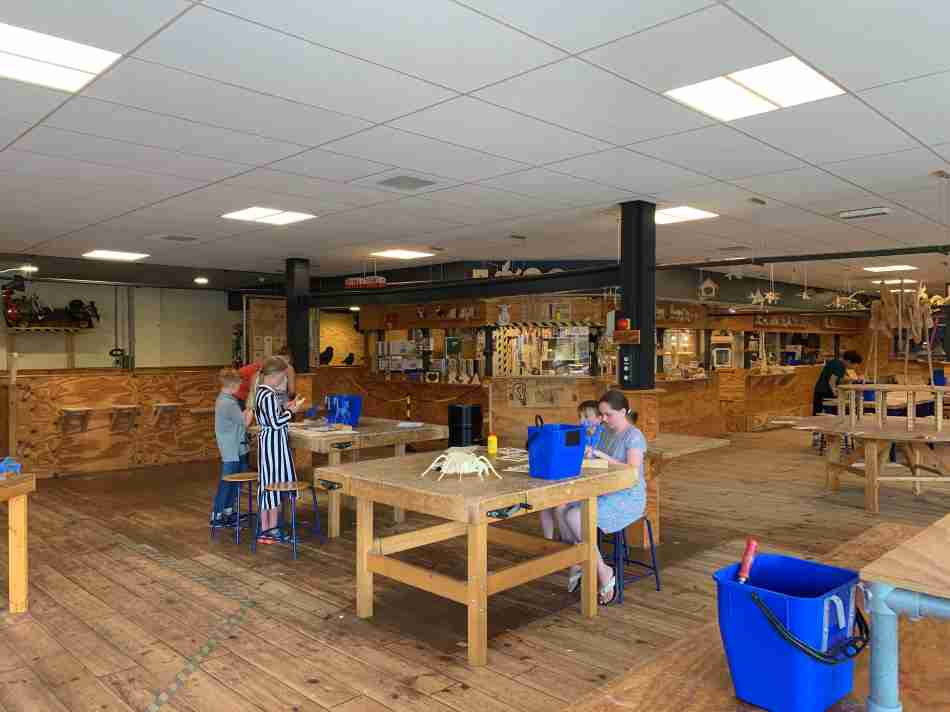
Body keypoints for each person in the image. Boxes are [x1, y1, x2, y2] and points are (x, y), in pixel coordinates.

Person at [557, 390, 647, 604]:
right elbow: (600, 463)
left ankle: (601, 570)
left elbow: (633, 471)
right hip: (605, 489)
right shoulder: (606, 432)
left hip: (628, 495)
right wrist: (590, 454)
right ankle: (582, 560)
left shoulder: (634, 436)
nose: (604, 419)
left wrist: (603, 457)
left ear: (623, 412)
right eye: (602, 415)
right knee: (561, 508)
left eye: (608, 415)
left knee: (574, 516)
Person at [254, 357, 305, 544]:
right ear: (274, 376)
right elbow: (275, 423)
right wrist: (292, 412)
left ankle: (267, 529)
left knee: (268, 485)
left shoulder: (262, 392)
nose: (284, 382)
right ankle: (270, 530)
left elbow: (271, 417)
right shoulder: (268, 395)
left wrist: (286, 408)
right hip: (273, 444)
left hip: (270, 442)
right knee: (274, 485)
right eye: (283, 378)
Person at [539, 401, 603, 550]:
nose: (582, 421)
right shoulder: (576, 433)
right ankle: (547, 544)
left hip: (590, 485)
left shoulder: (605, 436)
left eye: (586, 416)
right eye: (580, 416)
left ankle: (570, 546)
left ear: (600, 418)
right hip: (573, 479)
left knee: (560, 505)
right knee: (544, 505)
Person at [210, 368, 249, 525]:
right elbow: (245, 422)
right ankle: (217, 515)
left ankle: (228, 511)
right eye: (239, 384)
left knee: (234, 481)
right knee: (227, 481)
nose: (240, 387)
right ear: (233, 385)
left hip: (234, 447)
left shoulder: (225, 399)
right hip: (231, 449)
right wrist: (251, 408)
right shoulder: (228, 403)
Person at [236, 346, 296, 411]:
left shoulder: (261, 370)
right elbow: (291, 391)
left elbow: (253, 390)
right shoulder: (288, 368)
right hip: (279, 398)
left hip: (256, 399)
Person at [813, 350, 863, 415]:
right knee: (821, 416)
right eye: (855, 365)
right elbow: (832, 381)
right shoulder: (838, 365)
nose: (855, 367)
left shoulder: (839, 364)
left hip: (824, 391)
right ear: (849, 361)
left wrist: (854, 379)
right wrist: (836, 393)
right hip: (823, 392)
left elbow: (840, 379)